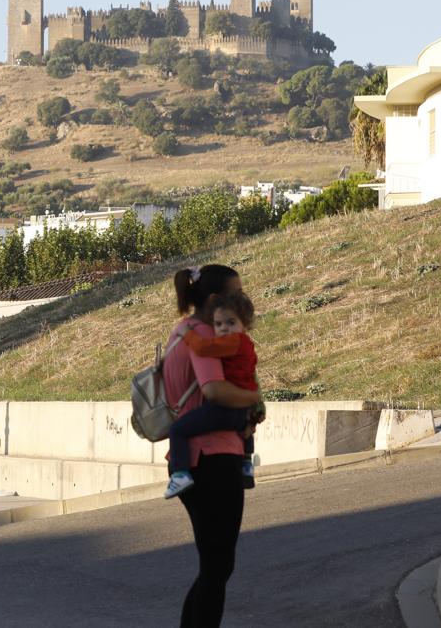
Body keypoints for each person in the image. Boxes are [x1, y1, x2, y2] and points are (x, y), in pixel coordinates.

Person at [163, 264, 262, 628]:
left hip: (196, 458)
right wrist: (252, 397)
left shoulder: (181, 331)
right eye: (238, 293)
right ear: (217, 299)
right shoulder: (204, 335)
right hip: (213, 457)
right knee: (218, 566)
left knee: (214, 566)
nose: (243, 299)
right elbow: (214, 390)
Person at [164, 291, 264, 499]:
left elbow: (203, 348)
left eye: (231, 322)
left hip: (224, 408)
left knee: (178, 429)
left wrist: (187, 335)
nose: (224, 328)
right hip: (242, 409)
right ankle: (246, 463)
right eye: (218, 325)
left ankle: (181, 473)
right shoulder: (247, 344)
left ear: (245, 325)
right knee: (246, 430)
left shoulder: (233, 342)